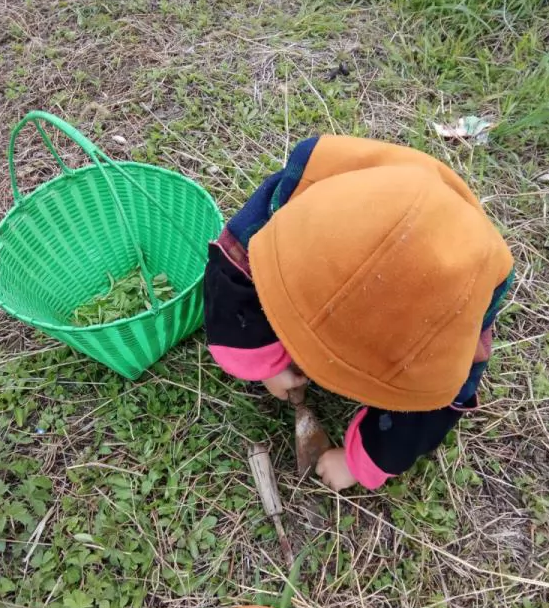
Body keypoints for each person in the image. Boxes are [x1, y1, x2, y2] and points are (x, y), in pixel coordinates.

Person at [203, 136, 514, 492]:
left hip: (456, 263)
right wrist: (266, 361)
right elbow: (236, 271)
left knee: (430, 389)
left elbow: (430, 407)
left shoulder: (461, 311)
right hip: (374, 194)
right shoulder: (299, 197)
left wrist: (360, 461)